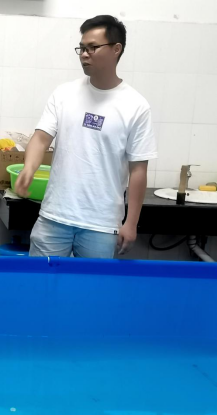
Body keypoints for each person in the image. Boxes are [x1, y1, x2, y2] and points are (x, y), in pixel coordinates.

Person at [15, 15, 157, 259]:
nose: (84, 54)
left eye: (92, 47)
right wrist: (29, 168)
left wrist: (131, 222)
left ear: (116, 49)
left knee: (92, 284)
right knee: (41, 281)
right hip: (54, 217)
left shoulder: (136, 106)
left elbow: (138, 170)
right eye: (81, 48)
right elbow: (41, 138)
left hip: (101, 224)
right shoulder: (64, 94)